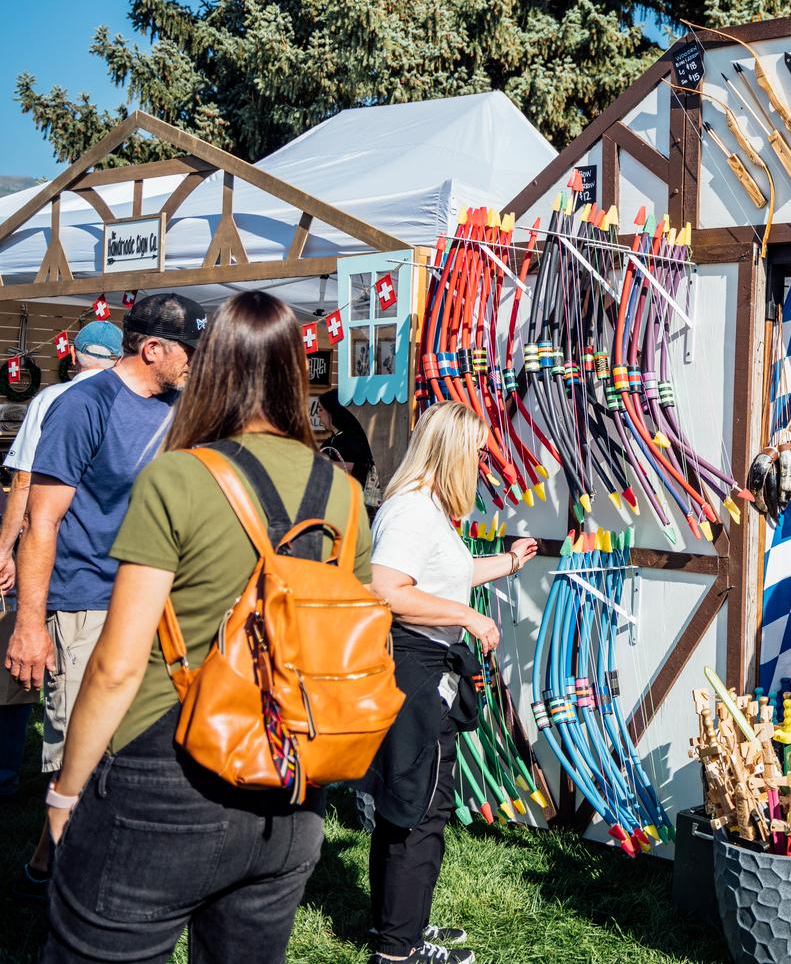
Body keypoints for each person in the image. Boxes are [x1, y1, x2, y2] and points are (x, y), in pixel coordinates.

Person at [40, 291, 374, 962]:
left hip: (166, 779)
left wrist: (63, 791)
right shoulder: (344, 493)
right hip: (289, 786)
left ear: (213, 364)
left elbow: (116, 664)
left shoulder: (180, 477)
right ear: (293, 371)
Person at [6, 296, 200, 898]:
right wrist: (31, 625)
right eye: (190, 351)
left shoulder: (180, 408)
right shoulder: (81, 406)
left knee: (130, 749)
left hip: (152, 603)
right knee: (78, 756)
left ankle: (44, 869)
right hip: (85, 601)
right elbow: (43, 522)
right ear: (152, 350)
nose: (198, 363)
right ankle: (74, 902)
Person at [359, 402, 535, 964]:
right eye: (477, 452)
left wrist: (506, 563)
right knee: (417, 807)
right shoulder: (412, 511)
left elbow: (444, 576)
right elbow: (388, 589)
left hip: (423, 665)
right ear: (452, 451)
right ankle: (398, 949)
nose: (482, 463)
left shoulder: (427, 510)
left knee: (414, 804)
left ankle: (401, 927)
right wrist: (468, 618)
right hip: (415, 668)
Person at [0, 321, 121, 801]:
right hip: (125, 576)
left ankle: (26, 788)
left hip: (67, 567)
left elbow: (25, 483)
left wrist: (5, 547)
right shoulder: (140, 399)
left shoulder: (52, 400)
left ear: (74, 357)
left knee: (53, 683)